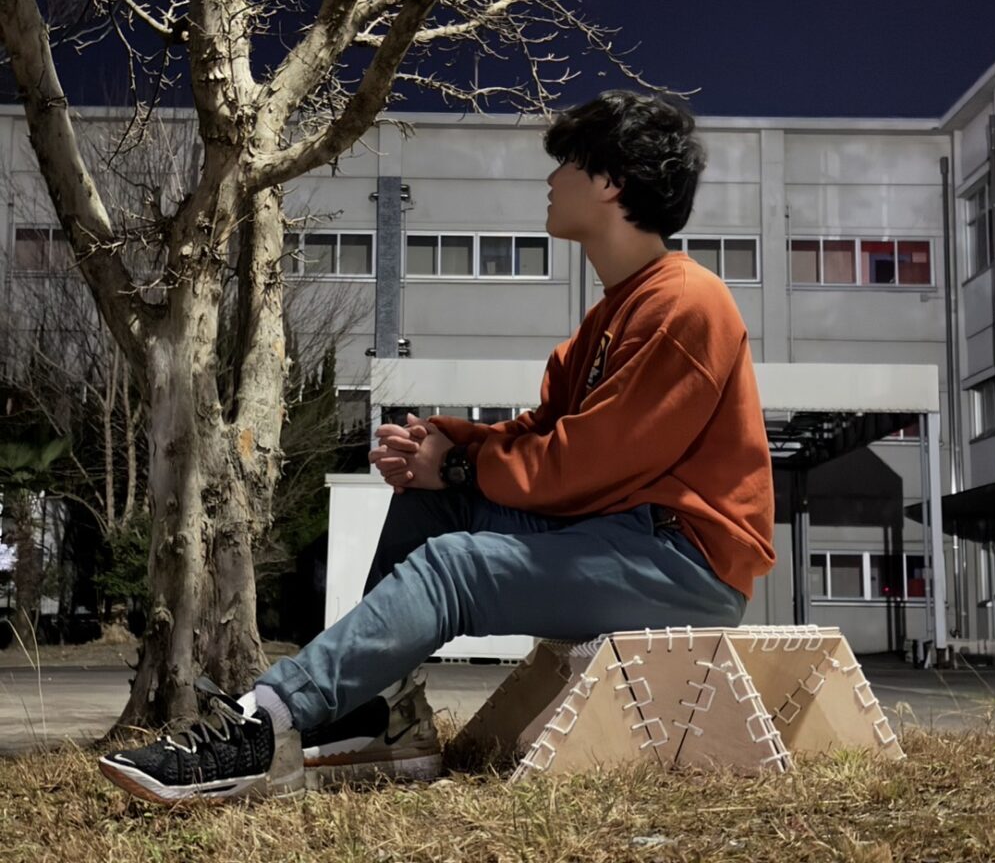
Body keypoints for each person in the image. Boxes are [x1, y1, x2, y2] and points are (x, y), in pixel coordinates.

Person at [98, 90, 776, 804]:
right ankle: (374, 719)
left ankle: (266, 722)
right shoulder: (611, 316)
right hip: (622, 534)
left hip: (682, 563)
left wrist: (460, 460)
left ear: (610, 182)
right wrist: (452, 444)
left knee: (456, 567)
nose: (551, 181)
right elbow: (547, 436)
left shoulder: (688, 304)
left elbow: (585, 463)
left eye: (567, 164)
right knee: (436, 508)